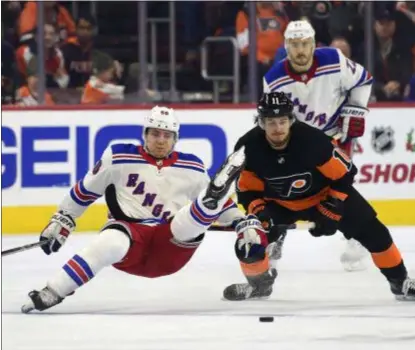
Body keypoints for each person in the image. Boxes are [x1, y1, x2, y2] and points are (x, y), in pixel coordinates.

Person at [21, 106, 254, 313]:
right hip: (130, 237)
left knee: (185, 222)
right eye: (154, 134)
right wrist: (62, 219)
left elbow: (225, 208)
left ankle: (210, 199)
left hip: (169, 245)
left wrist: (241, 222)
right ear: (144, 135)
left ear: (175, 139)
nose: (160, 140)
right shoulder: (118, 157)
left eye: (166, 135)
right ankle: (52, 291)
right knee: (110, 241)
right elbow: (84, 191)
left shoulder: (192, 166)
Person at [223, 92, 415, 302]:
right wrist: (259, 212)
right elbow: (248, 191)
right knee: (250, 239)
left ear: (291, 120)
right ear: (261, 123)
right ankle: (259, 286)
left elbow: (345, 174)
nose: (278, 128)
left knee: (375, 233)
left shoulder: (313, 141)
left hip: (323, 196)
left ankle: (400, 283)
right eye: (271, 122)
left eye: (282, 121)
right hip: (279, 204)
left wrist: (333, 206)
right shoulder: (249, 146)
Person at [263, 20, 373, 271]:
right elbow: (270, 116)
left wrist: (355, 112)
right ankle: (275, 238)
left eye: (305, 44)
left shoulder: (334, 60)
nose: (300, 50)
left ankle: (355, 238)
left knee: (340, 189)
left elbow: (364, 80)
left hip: (335, 135)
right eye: (294, 45)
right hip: (298, 142)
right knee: (283, 190)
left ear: (313, 44)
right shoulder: (273, 79)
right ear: (286, 46)